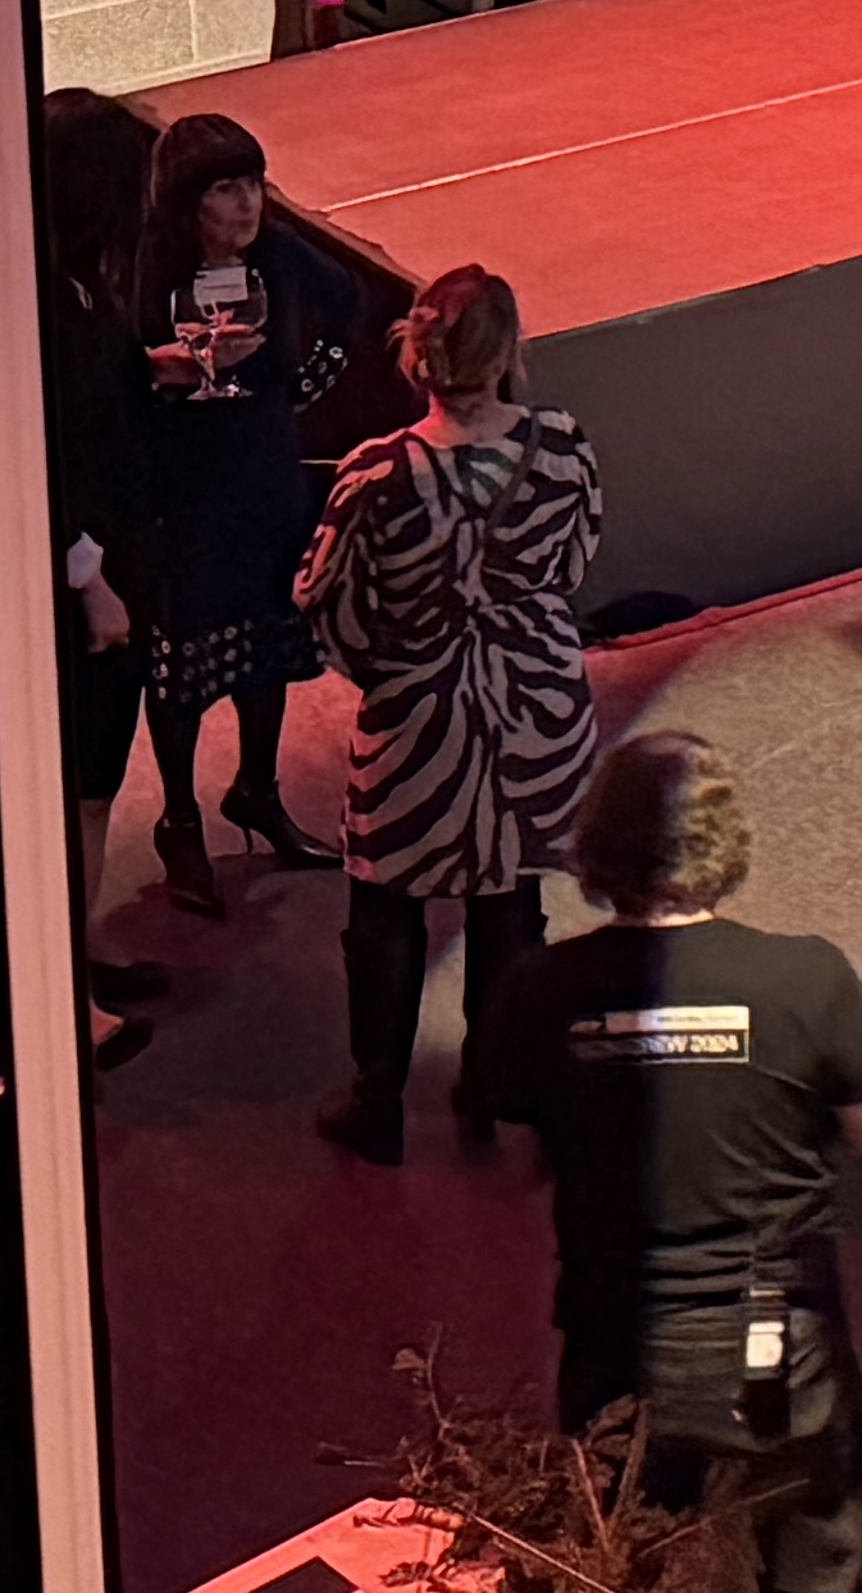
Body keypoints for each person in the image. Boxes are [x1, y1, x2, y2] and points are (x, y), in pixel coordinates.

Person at [476, 731, 862, 1593]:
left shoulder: (535, 990)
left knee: (637, 1561)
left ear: (597, 850)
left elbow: (517, 1166)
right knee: (816, 1550)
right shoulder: (804, 979)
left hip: (618, 1353)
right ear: (723, 847)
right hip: (776, 1353)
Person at [300, 262, 608, 1161]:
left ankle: (378, 1101)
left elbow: (327, 598)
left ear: (418, 355)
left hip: (416, 708)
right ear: (508, 353)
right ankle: (492, 1080)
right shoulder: (564, 446)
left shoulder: (373, 474)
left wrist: (392, 667)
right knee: (510, 895)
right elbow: (573, 563)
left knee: (384, 903)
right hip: (536, 709)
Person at [123, 108, 350, 912]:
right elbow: (114, 381)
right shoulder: (148, 268)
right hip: (187, 490)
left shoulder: (278, 254)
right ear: (188, 201)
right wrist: (163, 383)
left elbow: (348, 305)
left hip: (266, 479)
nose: (248, 202)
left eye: (253, 181)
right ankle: (179, 821)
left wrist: (299, 392)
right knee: (183, 659)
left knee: (265, 645)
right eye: (226, 187)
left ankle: (257, 790)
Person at [36, 90, 169, 1043]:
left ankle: (76, 949)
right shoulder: (43, 307)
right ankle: (61, 1000)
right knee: (73, 794)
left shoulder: (79, 285)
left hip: (114, 562)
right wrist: (93, 585)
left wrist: (149, 369)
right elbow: (49, 461)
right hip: (85, 589)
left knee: (92, 793)